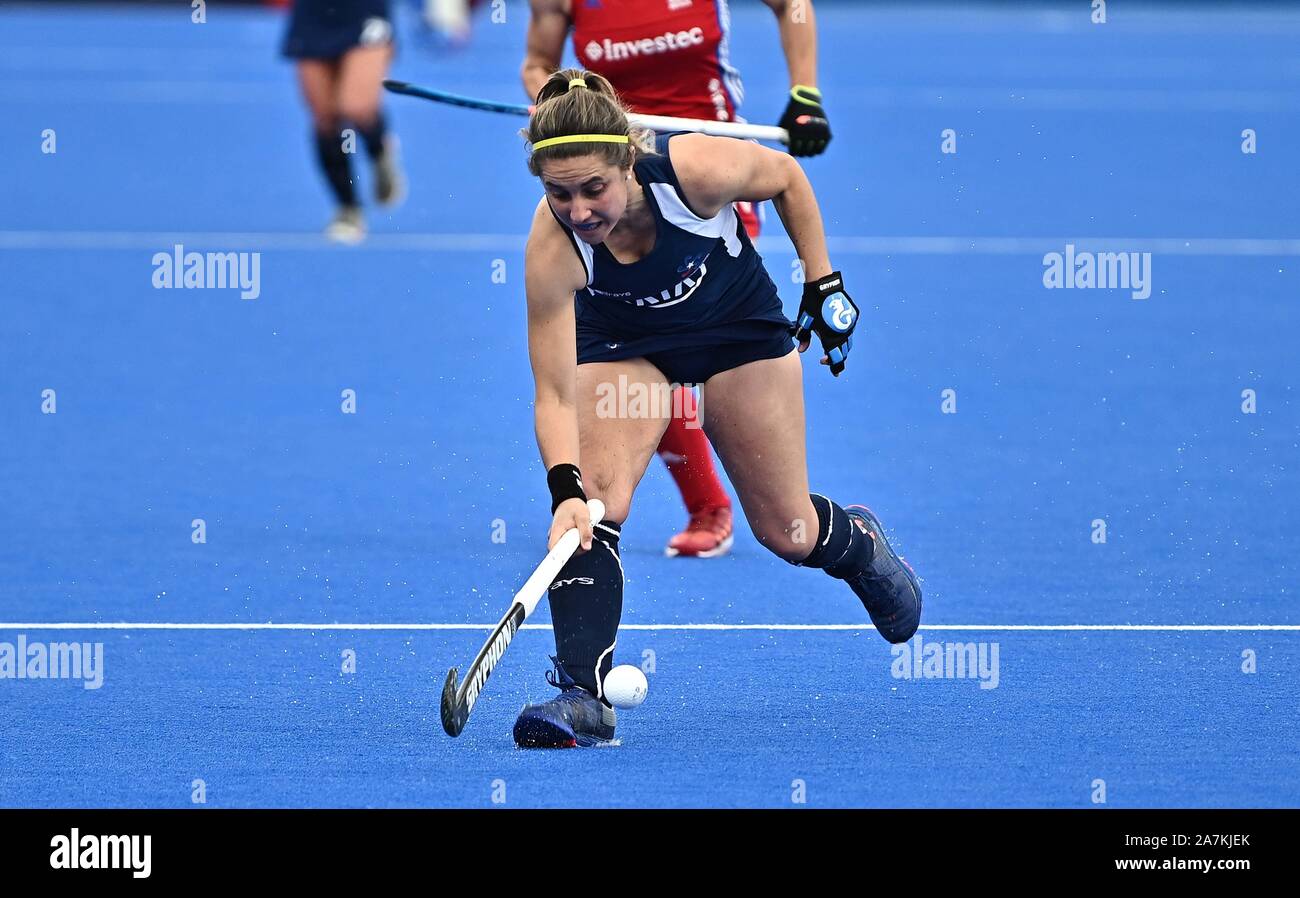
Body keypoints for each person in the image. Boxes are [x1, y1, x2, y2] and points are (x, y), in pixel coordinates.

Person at [510, 70, 920, 749]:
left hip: (737, 333)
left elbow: (786, 176)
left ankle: (860, 544)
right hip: (626, 345)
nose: (579, 210)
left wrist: (823, 283)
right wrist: (566, 490)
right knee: (599, 505)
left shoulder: (692, 168)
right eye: (559, 193)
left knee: (786, 531)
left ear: (626, 161)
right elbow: (553, 391)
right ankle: (583, 695)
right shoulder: (553, 249)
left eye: (593, 189)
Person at [520, 0, 832, 558]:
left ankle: (735, 490)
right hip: (602, 167)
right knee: (636, 338)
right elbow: (537, 63)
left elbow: (792, 7)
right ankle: (705, 501)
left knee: (682, 317)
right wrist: (560, 122)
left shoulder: (708, 170)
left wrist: (804, 95)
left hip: (700, 176)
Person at [281, 0, 407, 243]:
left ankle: (379, 150)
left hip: (365, 11)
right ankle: (348, 209)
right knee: (325, 117)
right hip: (312, 13)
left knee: (356, 106)